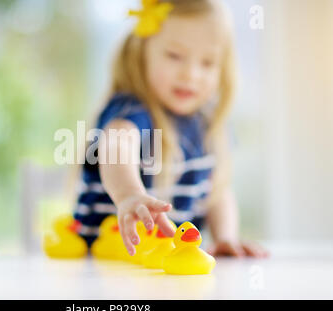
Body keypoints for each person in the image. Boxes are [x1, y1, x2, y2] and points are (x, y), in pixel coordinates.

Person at [73, 0, 267, 258]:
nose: (191, 74)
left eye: (208, 63)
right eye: (175, 56)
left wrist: (225, 237)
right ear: (141, 53)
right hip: (101, 264)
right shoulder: (131, 109)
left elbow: (218, 192)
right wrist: (129, 195)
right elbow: (116, 145)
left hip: (161, 266)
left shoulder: (209, 124)